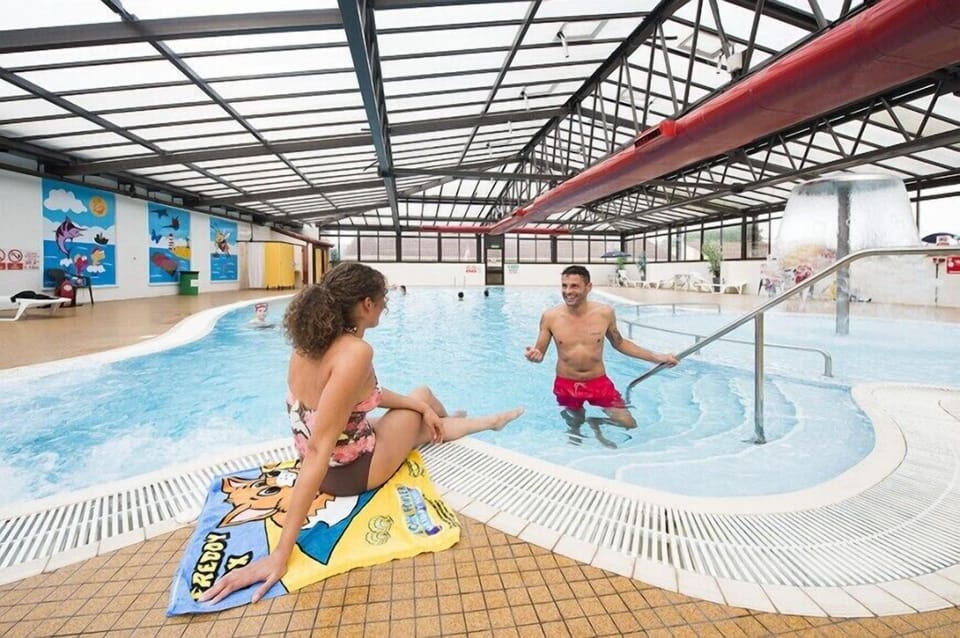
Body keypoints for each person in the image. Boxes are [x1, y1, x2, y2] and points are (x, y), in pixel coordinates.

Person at [202, 262, 523, 604]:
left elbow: (364, 396)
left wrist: (419, 409)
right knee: (424, 396)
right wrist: (281, 553)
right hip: (351, 473)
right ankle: (471, 421)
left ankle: (449, 419)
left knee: (420, 404)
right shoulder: (356, 351)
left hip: (341, 459)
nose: (387, 305)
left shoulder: (308, 344)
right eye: (384, 298)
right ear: (367, 304)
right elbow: (318, 450)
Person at [524, 265, 678, 431]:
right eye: (564, 285)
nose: (568, 291)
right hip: (566, 384)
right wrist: (536, 355)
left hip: (598, 382)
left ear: (588, 287)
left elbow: (619, 343)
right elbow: (540, 351)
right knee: (574, 423)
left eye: (574, 286)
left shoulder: (604, 313)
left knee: (628, 423)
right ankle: (575, 440)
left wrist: (658, 357)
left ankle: (596, 422)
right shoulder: (550, 317)